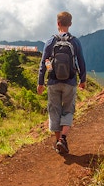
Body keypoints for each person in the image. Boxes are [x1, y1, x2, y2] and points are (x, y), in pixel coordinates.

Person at [37, 11, 87, 154]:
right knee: (68, 110)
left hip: (53, 81)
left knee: (54, 110)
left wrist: (40, 82)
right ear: (70, 24)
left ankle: (58, 140)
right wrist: (82, 80)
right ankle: (62, 138)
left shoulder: (50, 41)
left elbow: (43, 63)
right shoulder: (75, 41)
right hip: (70, 81)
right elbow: (81, 62)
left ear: (58, 23)